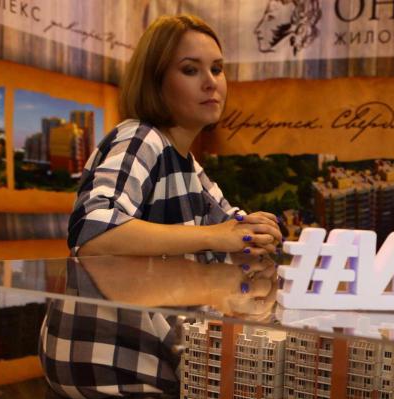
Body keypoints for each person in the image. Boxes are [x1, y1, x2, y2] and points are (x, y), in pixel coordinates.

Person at [69, 14, 281, 258]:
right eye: (190, 70)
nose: (211, 82)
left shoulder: (190, 166)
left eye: (216, 69)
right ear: (155, 82)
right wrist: (213, 236)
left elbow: (230, 226)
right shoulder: (142, 138)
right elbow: (90, 230)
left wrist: (257, 232)